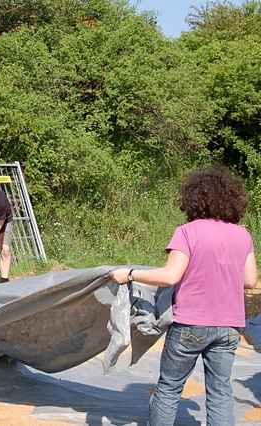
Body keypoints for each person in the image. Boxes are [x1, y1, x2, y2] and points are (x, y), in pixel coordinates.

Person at [110, 166, 257, 425]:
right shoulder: (243, 235)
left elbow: (170, 276)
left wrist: (130, 273)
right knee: (221, 393)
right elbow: (250, 281)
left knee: (169, 389)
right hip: (230, 326)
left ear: (193, 199)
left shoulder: (187, 232)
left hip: (190, 324)